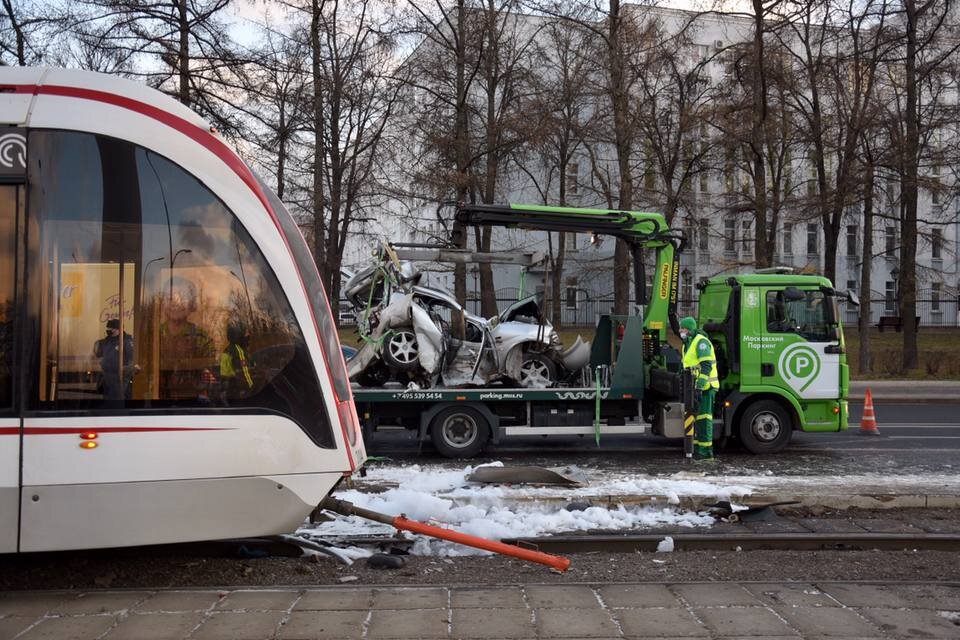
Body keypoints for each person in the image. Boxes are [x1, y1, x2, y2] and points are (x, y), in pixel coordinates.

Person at [159, 277, 216, 403]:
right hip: (157, 404)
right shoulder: (152, 336)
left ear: (192, 304)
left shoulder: (202, 338)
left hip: (192, 404)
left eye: (182, 297)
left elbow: (211, 374)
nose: (175, 302)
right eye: (170, 297)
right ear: (163, 303)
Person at [679, 316, 719, 461]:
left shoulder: (701, 342)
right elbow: (686, 366)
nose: (680, 330)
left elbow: (706, 366)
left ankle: (706, 454)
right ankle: (696, 450)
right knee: (694, 420)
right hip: (694, 388)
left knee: (703, 420)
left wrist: (699, 387)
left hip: (706, 388)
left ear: (689, 329)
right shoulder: (687, 343)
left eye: (682, 328)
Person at [94, 318, 135, 405]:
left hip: (120, 376)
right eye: (109, 328)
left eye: (112, 329)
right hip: (107, 375)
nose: (110, 330)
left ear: (120, 329)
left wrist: (126, 374)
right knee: (107, 399)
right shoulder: (106, 341)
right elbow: (99, 354)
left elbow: (131, 359)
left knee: (116, 399)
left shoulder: (126, 341)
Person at [220, 321, 253, 402]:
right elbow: (243, 373)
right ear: (238, 335)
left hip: (229, 389)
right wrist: (252, 387)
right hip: (239, 392)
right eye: (245, 334)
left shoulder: (227, 349)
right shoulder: (238, 351)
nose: (248, 336)